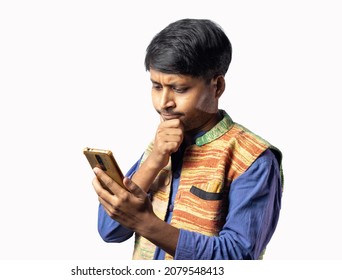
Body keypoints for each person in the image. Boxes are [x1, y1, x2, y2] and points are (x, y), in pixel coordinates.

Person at [91, 18, 283, 260]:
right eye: (157, 86)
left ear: (218, 86)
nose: (164, 103)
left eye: (180, 89)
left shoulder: (254, 159)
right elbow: (110, 231)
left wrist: (145, 223)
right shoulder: (160, 144)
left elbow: (238, 257)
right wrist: (154, 161)